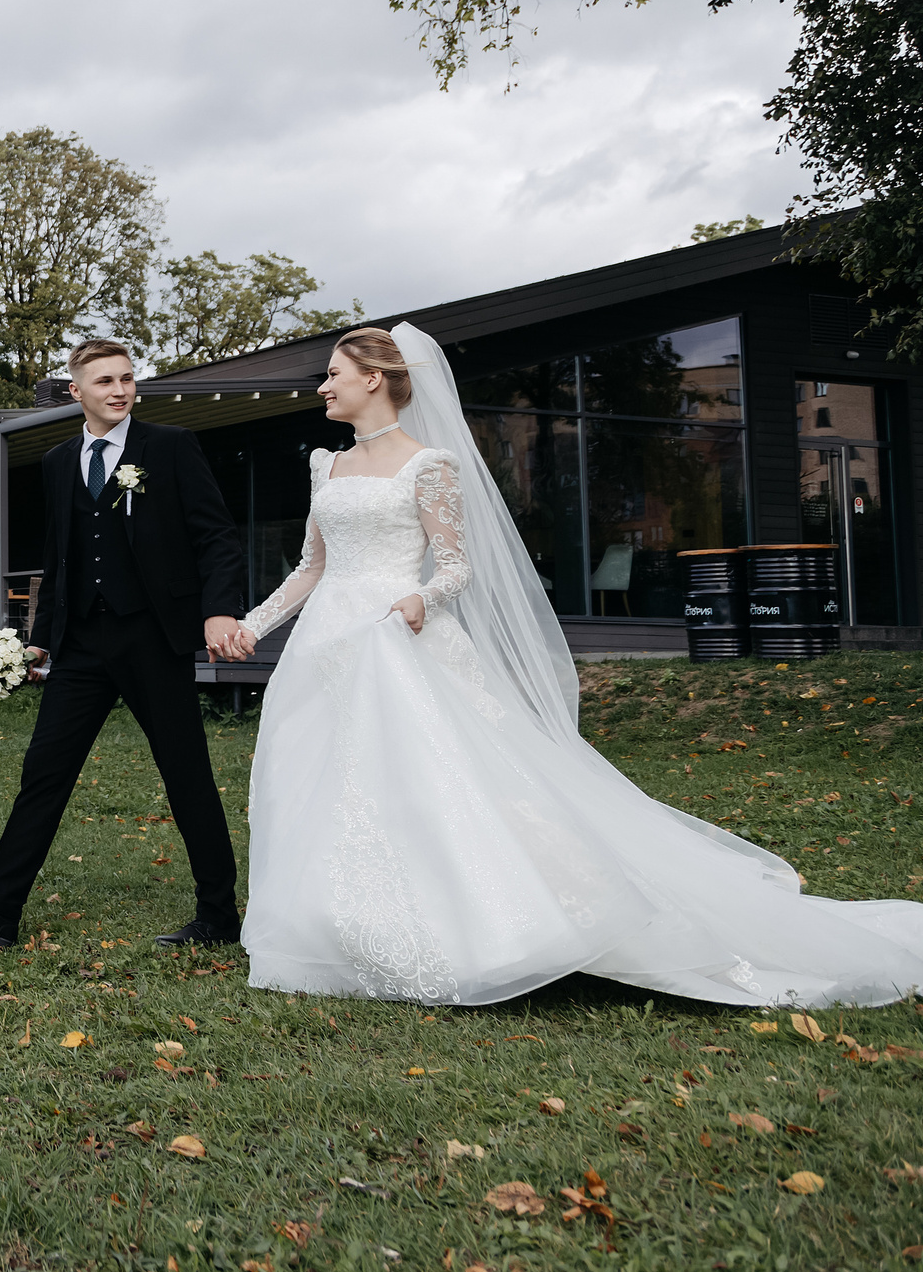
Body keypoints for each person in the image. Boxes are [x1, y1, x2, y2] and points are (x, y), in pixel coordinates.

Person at [234, 323, 923, 1005]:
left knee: (433, 781)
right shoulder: (328, 464)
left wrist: (421, 596)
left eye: (332, 372)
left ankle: (490, 922)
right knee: (335, 779)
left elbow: (456, 567)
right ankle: (341, 928)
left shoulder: (429, 464)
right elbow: (311, 567)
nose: (323, 385)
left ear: (373, 378)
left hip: (401, 636)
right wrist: (252, 624)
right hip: (331, 643)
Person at [0, 338, 252, 951]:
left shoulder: (171, 448)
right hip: (83, 647)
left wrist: (219, 610)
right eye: (105, 382)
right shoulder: (57, 460)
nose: (120, 390)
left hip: (155, 638)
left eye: (127, 378)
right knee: (43, 771)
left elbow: (218, 537)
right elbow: (60, 556)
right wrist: (42, 641)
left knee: (186, 775)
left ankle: (219, 916)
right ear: (77, 392)